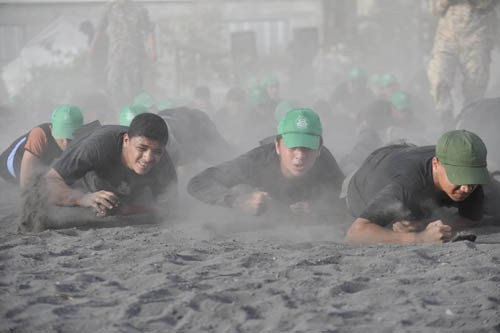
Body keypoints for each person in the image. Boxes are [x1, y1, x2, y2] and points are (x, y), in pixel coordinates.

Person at [20, 113, 177, 232]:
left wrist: (129, 208)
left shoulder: (163, 162)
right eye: (142, 148)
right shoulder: (95, 147)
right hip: (81, 186)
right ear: (126, 140)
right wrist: (83, 199)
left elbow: (169, 207)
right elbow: (45, 186)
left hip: (124, 196)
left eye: (157, 151)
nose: (148, 158)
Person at [187, 108, 345, 220]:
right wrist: (239, 201)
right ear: (277, 145)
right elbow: (198, 183)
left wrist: (318, 209)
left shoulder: (324, 161)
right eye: (292, 147)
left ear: (319, 148)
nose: (300, 156)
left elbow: (348, 200)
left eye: (307, 148)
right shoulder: (258, 160)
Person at [344, 130, 490, 244]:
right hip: (361, 179)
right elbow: (356, 233)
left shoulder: (469, 175)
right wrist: (419, 238)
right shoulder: (407, 185)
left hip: (404, 152)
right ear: (436, 164)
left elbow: (471, 217)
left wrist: (422, 224)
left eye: (472, 178)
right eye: (459, 177)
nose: (466, 188)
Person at [427, 0, 499, 129]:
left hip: (477, 36)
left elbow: (486, 3)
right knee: (439, 78)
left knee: (475, 87)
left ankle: (469, 125)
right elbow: (434, 8)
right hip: (447, 38)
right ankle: (446, 121)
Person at [89, 0, 156, 109]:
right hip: (116, 53)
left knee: (135, 83)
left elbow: (148, 30)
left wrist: (153, 50)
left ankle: (136, 109)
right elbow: (100, 28)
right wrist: (92, 47)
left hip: (134, 52)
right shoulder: (109, 7)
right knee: (113, 81)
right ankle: (117, 109)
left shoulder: (138, 8)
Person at [0, 105, 83, 188]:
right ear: (52, 129)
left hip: (43, 166)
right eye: (62, 138)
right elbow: (26, 185)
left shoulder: (84, 138)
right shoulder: (39, 134)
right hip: (6, 170)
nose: (65, 143)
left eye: (70, 139)